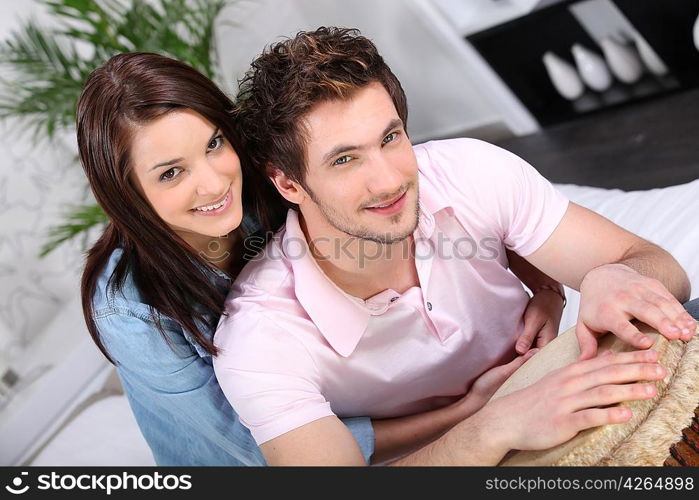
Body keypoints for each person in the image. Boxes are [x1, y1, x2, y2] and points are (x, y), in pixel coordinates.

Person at [213, 27, 698, 465]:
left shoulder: (469, 171)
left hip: (564, 386)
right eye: (344, 160)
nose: (388, 181)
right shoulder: (260, 335)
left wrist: (614, 276)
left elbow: (665, 271)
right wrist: (490, 425)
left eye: (390, 138)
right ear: (289, 184)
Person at [77, 52, 567, 465]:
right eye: (170, 173)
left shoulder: (267, 188)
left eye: (213, 145)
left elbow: (455, 209)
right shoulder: (130, 311)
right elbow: (250, 447)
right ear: (127, 192)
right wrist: (467, 413)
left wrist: (546, 287)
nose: (212, 182)